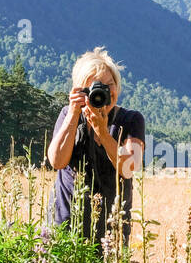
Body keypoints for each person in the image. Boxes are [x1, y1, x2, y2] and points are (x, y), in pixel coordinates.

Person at [47, 48, 145, 246]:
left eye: (110, 85)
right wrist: (75, 114)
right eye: (95, 88)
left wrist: (103, 131)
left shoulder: (131, 120)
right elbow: (57, 161)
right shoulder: (68, 114)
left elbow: (129, 168)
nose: (104, 92)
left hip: (112, 230)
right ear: (80, 91)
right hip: (66, 225)